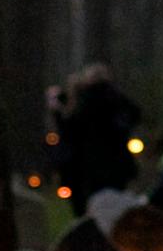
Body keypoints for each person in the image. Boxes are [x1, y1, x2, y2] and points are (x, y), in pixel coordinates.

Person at [60, 64, 143, 209]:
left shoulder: (84, 100)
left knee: (95, 202)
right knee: (117, 199)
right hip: (117, 160)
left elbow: (70, 130)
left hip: (91, 163)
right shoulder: (115, 97)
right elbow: (135, 114)